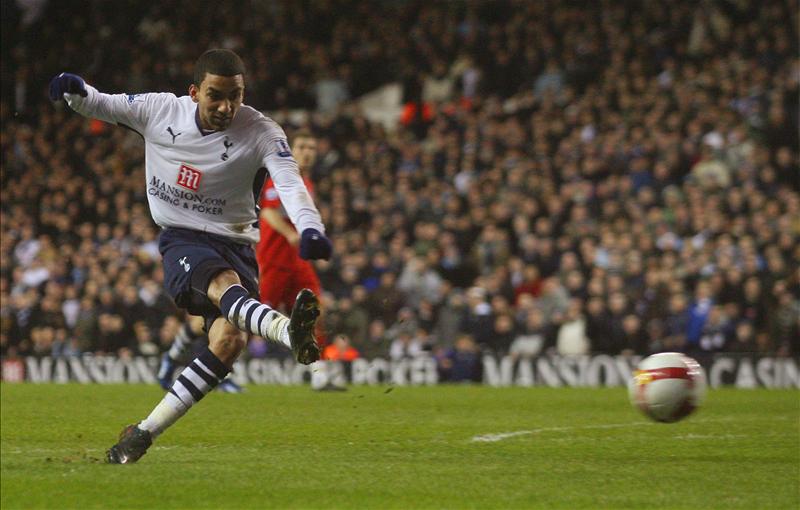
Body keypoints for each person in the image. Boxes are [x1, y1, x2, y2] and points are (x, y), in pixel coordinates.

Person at [49, 49, 333, 464]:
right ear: (194, 91)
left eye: (235, 95)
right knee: (224, 287)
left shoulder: (261, 131)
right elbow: (102, 103)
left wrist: (311, 228)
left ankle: (142, 434)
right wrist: (74, 92)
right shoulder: (160, 110)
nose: (226, 106)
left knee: (229, 340)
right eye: (215, 95)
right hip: (182, 238)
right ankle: (287, 332)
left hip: (237, 245)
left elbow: (290, 183)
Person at [256, 129, 326, 343]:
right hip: (273, 260)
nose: (307, 153)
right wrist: (290, 235)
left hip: (297, 261)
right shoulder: (281, 177)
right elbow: (267, 211)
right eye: (302, 147)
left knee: (314, 309)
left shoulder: (308, 183)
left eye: (312, 148)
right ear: (291, 150)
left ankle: (318, 371)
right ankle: (230, 364)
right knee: (258, 320)